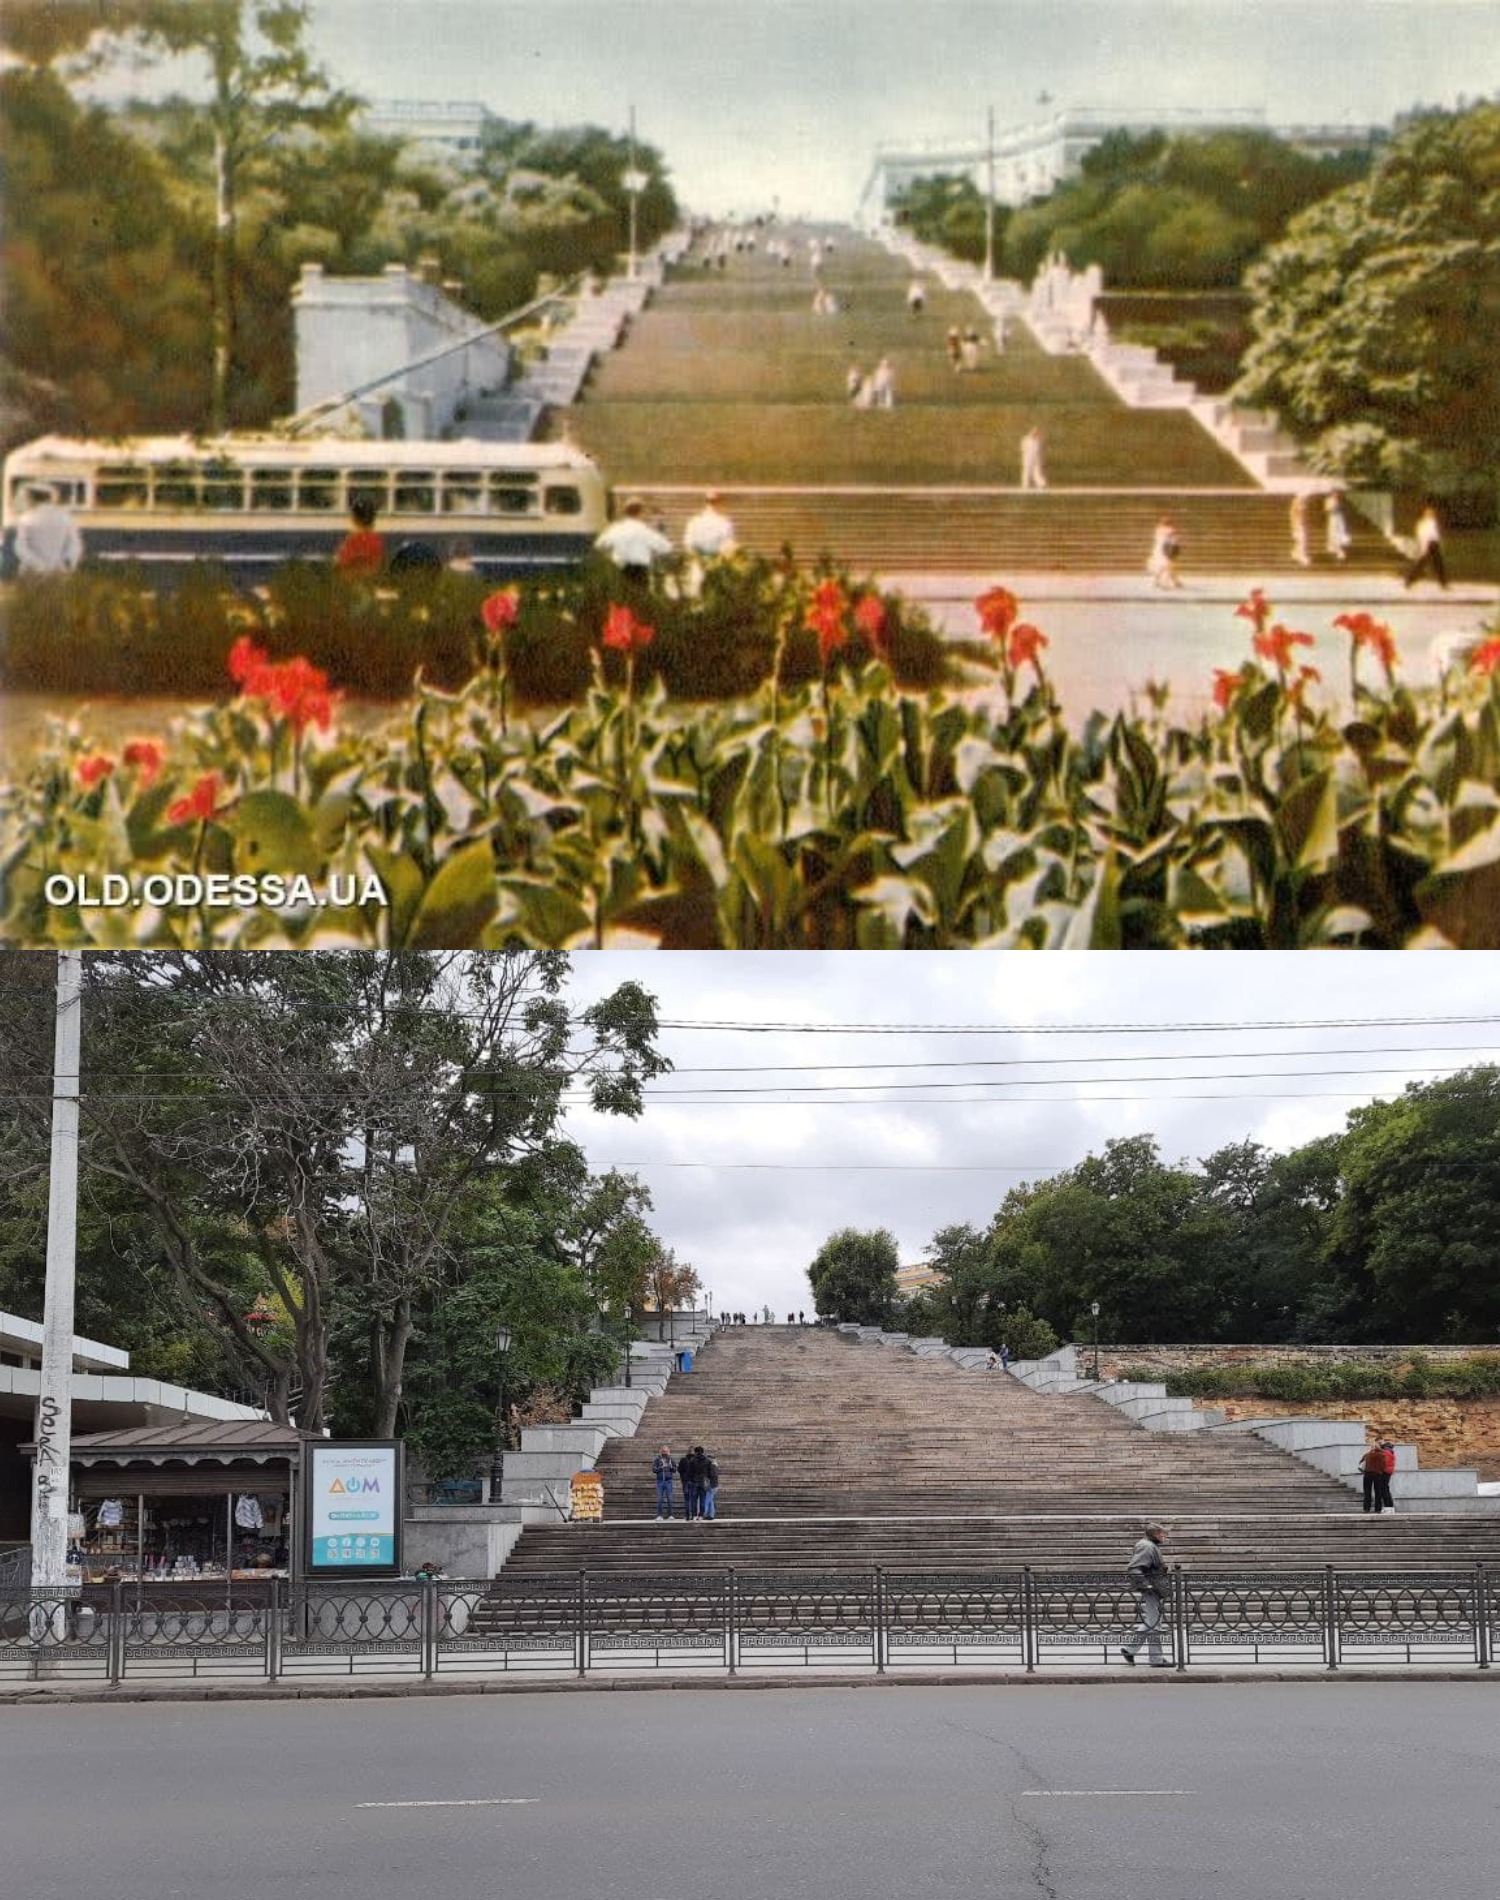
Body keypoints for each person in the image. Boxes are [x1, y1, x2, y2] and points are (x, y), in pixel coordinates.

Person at [1120, 1523, 1172, 1666]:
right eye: (1162, 1533)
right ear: (1155, 1534)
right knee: (1154, 1623)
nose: (1164, 1536)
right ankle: (1155, 1659)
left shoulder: (1149, 1545)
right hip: (1151, 1588)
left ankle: (1130, 1649)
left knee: (1152, 1621)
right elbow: (1134, 1568)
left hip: (1153, 1587)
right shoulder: (1147, 1546)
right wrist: (1146, 1586)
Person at [595, 496, 672, 582]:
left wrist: (610, 557)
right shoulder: (644, 530)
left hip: (619, 570)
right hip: (639, 572)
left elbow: (599, 545)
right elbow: (666, 547)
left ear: (625, 512)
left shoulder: (615, 529)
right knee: (638, 594)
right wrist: (652, 552)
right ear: (641, 512)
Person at [14, 483, 83, 574]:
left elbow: (21, 548)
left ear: (32, 498)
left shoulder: (26, 518)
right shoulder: (66, 517)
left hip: (32, 573)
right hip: (59, 571)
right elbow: (75, 545)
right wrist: (68, 564)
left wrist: (40, 566)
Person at [335, 494, 386, 575]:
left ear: (354, 519)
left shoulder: (350, 543)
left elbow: (340, 567)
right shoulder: (378, 541)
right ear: (373, 519)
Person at [1403, 504, 1448, 589]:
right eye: (1429, 513)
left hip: (1434, 544)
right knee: (1420, 564)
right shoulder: (1422, 523)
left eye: (1432, 513)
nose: (1431, 514)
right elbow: (1422, 536)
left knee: (1438, 565)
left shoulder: (1433, 522)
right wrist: (1424, 546)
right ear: (1425, 514)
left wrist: (1439, 544)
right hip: (1428, 544)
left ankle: (1443, 583)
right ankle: (1409, 581)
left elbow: (1436, 535)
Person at [683, 490, 736, 561]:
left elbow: (689, 545)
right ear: (719, 503)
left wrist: (697, 561)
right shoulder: (725, 523)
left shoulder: (694, 522)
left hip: (699, 563)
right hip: (718, 563)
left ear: (705, 502)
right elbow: (729, 546)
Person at [1147, 516, 1184, 590]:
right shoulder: (1171, 530)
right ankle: (1165, 582)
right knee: (1167, 565)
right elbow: (1175, 540)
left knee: (1165, 565)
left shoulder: (1157, 529)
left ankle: (1174, 582)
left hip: (1157, 549)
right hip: (1166, 549)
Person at [1359, 1440, 1389, 1514]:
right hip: (1378, 1475)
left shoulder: (1367, 1454)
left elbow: (1361, 1463)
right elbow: (1384, 1465)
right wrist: (1380, 1471)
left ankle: (1366, 1508)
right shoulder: (1382, 1455)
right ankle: (1378, 1509)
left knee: (1367, 1492)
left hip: (1367, 1474)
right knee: (1378, 1492)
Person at [1324, 490, 1352, 563]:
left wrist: (1339, 507)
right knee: (1333, 532)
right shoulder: (1328, 500)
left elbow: (1343, 509)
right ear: (1331, 493)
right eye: (1334, 493)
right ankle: (1336, 549)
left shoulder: (1340, 501)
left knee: (1341, 531)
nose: (1336, 494)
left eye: (1337, 493)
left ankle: (1340, 548)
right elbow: (1327, 509)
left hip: (1339, 517)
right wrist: (1333, 507)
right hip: (1333, 517)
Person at [652, 1444, 677, 1521]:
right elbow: (654, 1470)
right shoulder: (657, 1459)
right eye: (663, 1451)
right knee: (660, 1499)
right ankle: (659, 1515)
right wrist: (661, 1468)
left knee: (670, 1498)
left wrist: (671, 1466)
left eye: (666, 1451)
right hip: (660, 1481)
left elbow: (675, 1470)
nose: (665, 1452)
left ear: (668, 1451)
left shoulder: (671, 1459)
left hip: (669, 1481)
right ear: (661, 1451)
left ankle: (670, 1515)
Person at [678, 1445, 703, 1522]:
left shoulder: (683, 1460)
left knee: (686, 1499)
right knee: (693, 1499)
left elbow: (679, 1470)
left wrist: (683, 1478)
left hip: (686, 1481)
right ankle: (693, 1515)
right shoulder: (696, 1460)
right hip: (693, 1481)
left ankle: (687, 1515)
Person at [1289, 491, 1311, 567]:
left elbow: (1304, 516)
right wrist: (1294, 526)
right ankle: (1300, 555)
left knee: (1302, 540)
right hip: (1298, 525)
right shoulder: (1296, 505)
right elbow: (1293, 516)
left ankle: (1296, 553)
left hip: (1302, 524)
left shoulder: (1303, 505)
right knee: (1302, 540)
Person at [697, 1446, 720, 1521]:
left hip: (712, 1485)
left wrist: (709, 1484)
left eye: (708, 1459)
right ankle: (711, 1515)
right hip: (714, 1485)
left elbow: (712, 1476)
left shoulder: (712, 1466)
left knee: (707, 1500)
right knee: (711, 1500)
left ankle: (704, 1513)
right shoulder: (715, 1465)